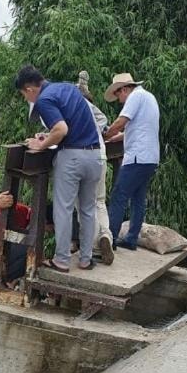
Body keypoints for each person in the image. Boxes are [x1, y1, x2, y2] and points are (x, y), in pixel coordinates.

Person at [16, 65, 103, 272]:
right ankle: (85, 258)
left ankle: (62, 260)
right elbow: (70, 125)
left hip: (72, 157)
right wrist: (48, 136)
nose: (26, 99)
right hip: (94, 155)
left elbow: (61, 129)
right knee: (88, 209)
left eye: (23, 95)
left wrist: (40, 145)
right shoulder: (68, 88)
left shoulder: (44, 99)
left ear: (29, 89)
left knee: (63, 209)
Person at [103, 72, 160, 251]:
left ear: (125, 89)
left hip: (137, 157)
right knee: (138, 198)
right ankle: (131, 238)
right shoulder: (148, 97)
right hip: (150, 157)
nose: (119, 100)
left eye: (118, 95)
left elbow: (121, 122)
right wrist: (115, 138)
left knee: (118, 196)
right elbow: (135, 130)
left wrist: (105, 134)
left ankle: (110, 238)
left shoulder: (135, 97)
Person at [75, 71, 115, 265]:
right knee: (99, 201)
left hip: (82, 159)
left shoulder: (68, 106)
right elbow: (104, 121)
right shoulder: (92, 108)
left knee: (84, 205)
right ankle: (106, 236)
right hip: (101, 155)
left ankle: (92, 248)